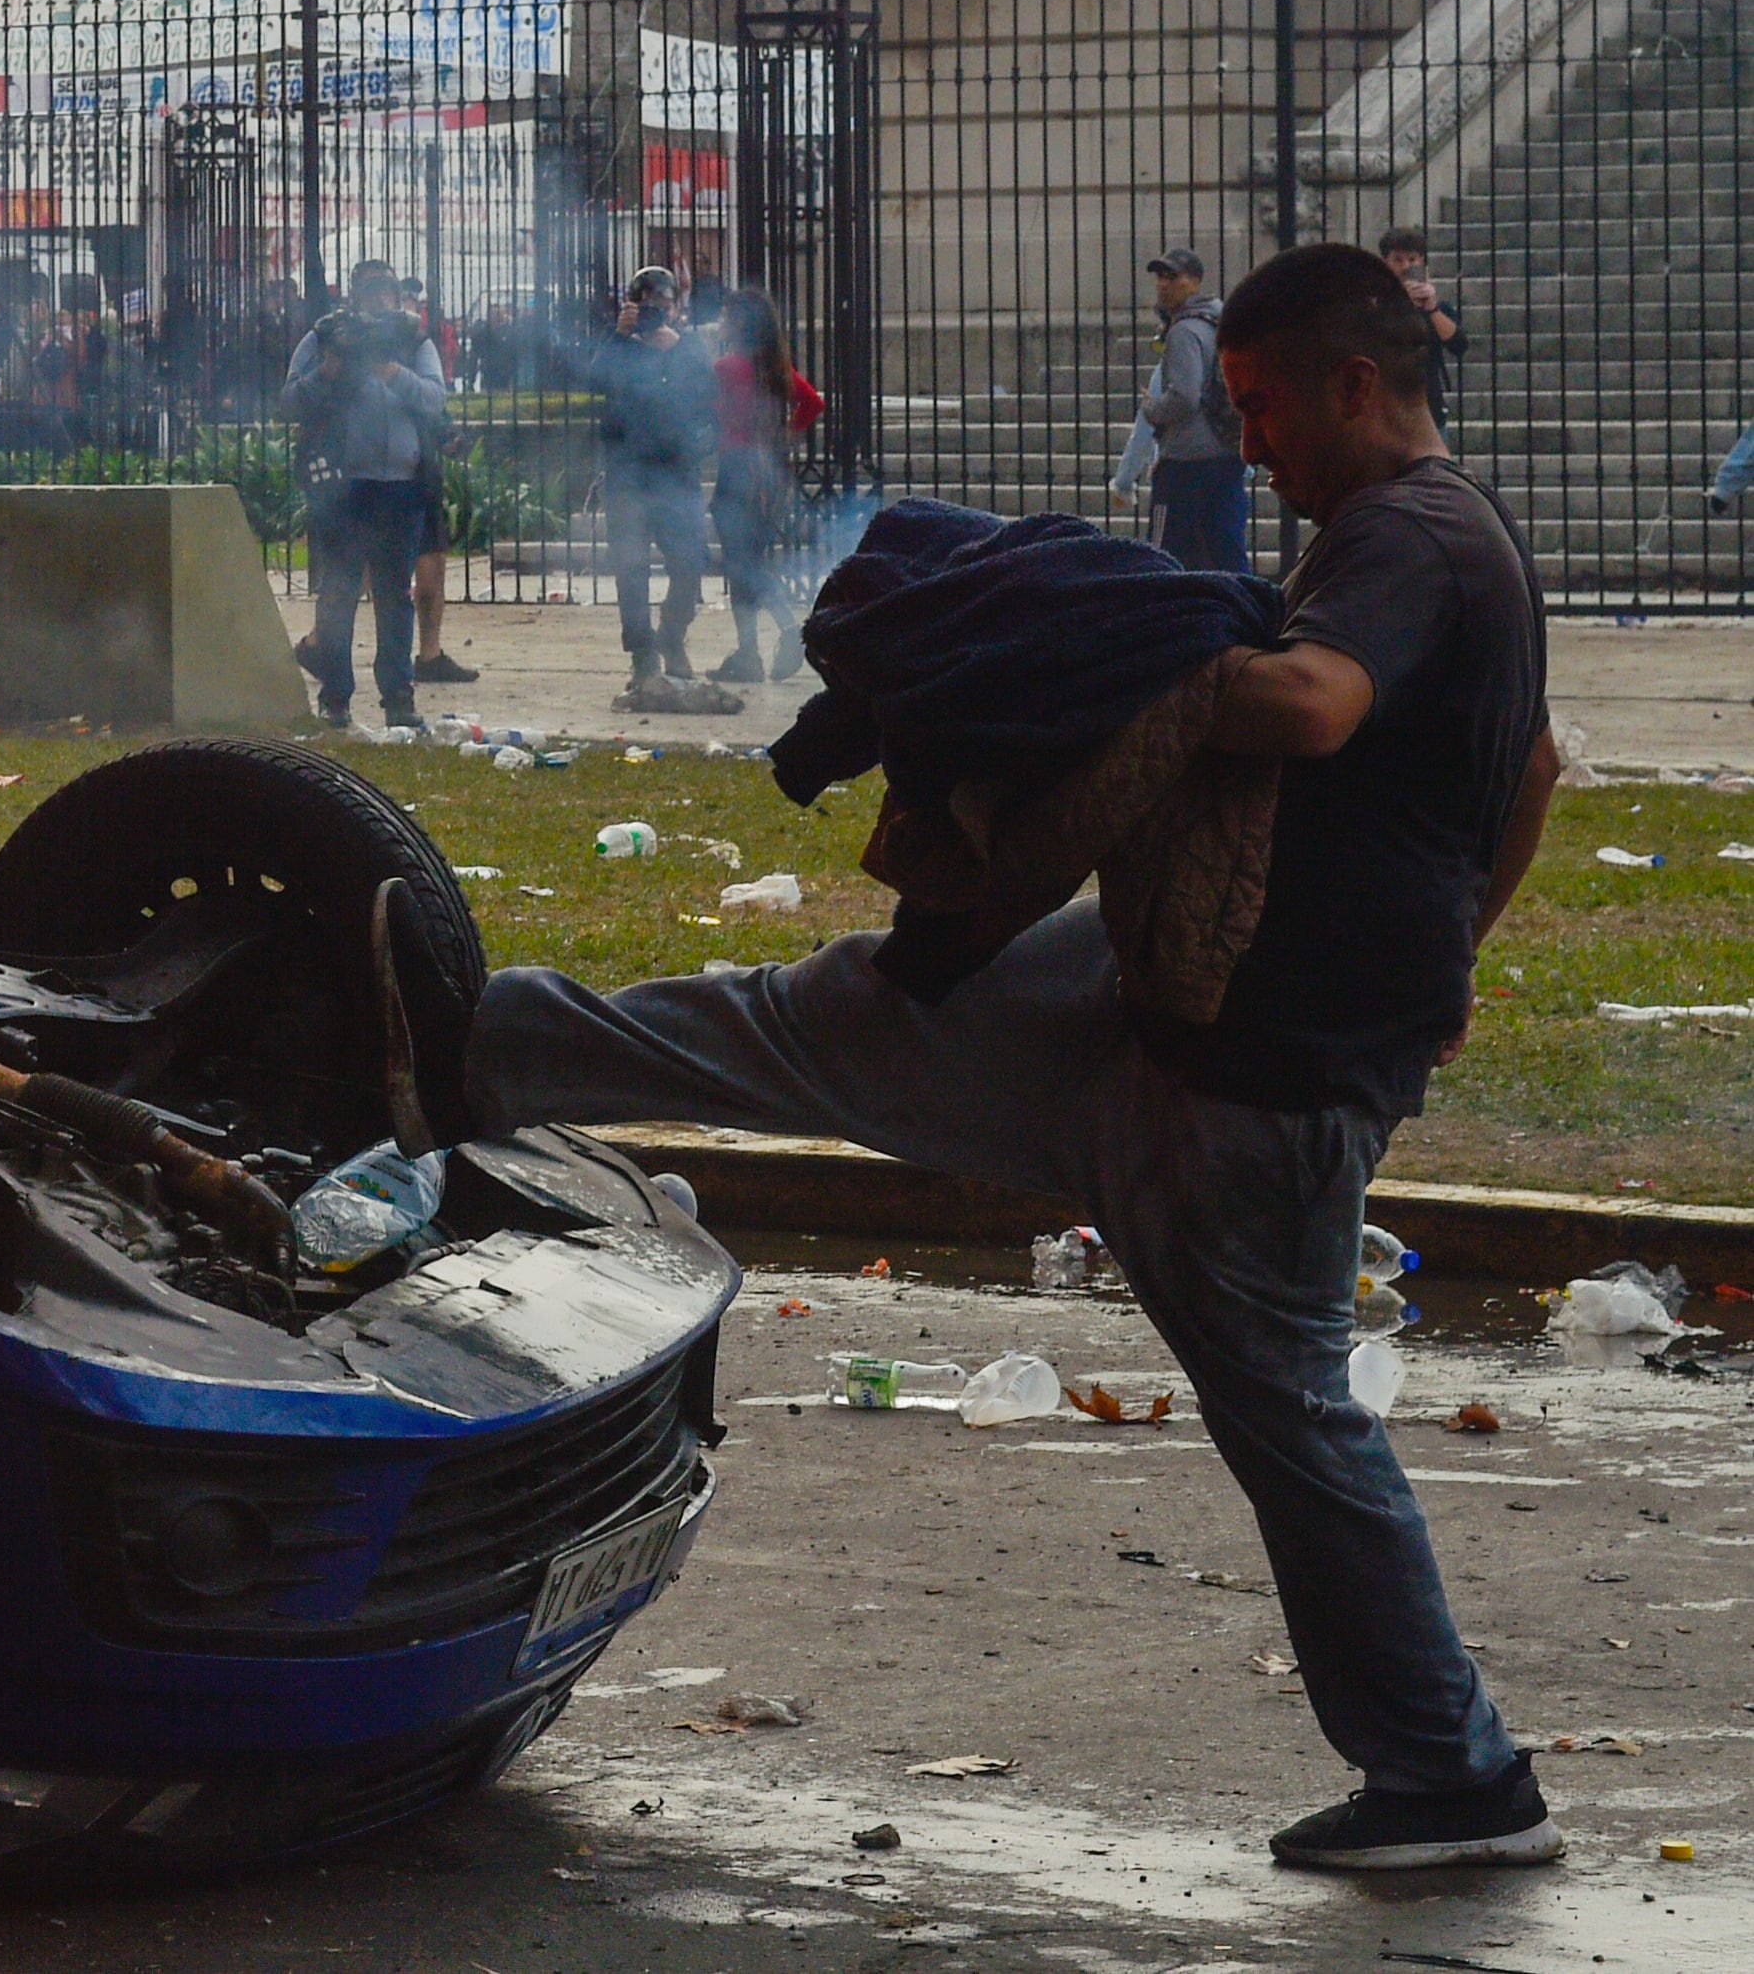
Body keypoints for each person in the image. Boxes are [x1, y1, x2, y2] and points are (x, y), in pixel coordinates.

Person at [450, 243, 1561, 1874]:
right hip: (1162, 996)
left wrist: (1117, 648)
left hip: (1257, 1072)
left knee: (1295, 1421)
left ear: (1350, 384)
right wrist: (1457, 943)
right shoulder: (1432, 536)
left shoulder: (1405, 526)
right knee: (820, 1014)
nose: (1247, 442)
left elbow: (1314, 704)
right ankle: (449, 1044)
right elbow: (1527, 760)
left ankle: (1458, 1782)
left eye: (1259, 406)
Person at [286, 262, 450, 734]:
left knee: (393, 596)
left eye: (388, 293)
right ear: (354, 298)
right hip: (343, 487)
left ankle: (398, 698)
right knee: (337, 593)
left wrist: (394, 373)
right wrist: (332, 369)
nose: (380, 303)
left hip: (400, 487)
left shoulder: (414, 341)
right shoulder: (324, 339)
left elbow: (436, 400)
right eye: (370, 293)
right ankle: (335, 698)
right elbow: (291, 401)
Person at [592, 267, 724, 709]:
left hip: (677, 473)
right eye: (645, 303)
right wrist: (619, 336)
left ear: (674, 307)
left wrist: (677, 352)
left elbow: (709, 400)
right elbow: (593, 382)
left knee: (690, 562)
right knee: (631, 571)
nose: (654, 312)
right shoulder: (621, 348)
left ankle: (672, 634)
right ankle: (642, 654)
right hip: (629, 474)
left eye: (661, 305)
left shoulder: (689, 349)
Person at [708, 284, 826, 684]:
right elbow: (813, 403)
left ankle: (785, 635)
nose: (721, 321)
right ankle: (748, 653)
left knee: (745, 565)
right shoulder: (772, 368)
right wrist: (785, 434)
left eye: (726, 314)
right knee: (748, 563)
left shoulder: (726, 368)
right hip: (765, 472)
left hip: (736, 470)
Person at [1116, 246, 1248, 574]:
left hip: (1185, 463)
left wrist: (1152, 409)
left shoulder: (1184, 331)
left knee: (1163, 556)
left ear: (1194, 282)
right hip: (1227, 453)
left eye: (1172, 277)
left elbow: (1186, 398)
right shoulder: (1220, 322)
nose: (1162, 284)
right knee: (1226, 550)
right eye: (1160, 277)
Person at [401, 278, 476, 689]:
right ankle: (321, 642)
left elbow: (433, 402)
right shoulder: (351, 345)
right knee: (359, 568)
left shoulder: (418, 347)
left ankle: (429, 655)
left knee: (431, 565)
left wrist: (446, 434)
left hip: (420, 470)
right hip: (374, 473)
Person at [1379, 228, 1462, 424]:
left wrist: (1431, 309)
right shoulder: (1376, 306)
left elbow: (1458, 345)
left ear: (1421, 261)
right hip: (1387, 408)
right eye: (1398, 260)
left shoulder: (1438, 309)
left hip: (1429, 407)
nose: (1405, 266)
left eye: (1412, 259)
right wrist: (1400, 304)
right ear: (1386, 264)